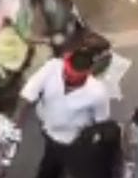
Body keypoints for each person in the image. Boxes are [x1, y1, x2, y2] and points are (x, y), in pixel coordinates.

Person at [20, 49, 110, 178]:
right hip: (48, 129)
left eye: (74, 78)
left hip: (73, 139)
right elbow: (28, 94)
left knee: (69, 166)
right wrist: (15, 125)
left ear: (87, 73)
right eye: (66, 74)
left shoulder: (98, 92)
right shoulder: (52, 67)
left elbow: (101, 121)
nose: (67, 80)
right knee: (50, 162)